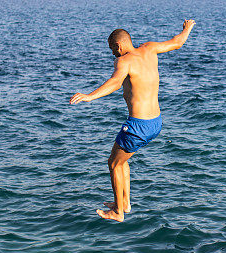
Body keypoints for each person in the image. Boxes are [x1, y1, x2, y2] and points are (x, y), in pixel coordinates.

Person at [69, 20, 196, 222]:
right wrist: (187, 28)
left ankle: (118, 212)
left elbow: (115, 82)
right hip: (155, 122)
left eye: (112, 49)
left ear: (119, 46)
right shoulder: (150, 49)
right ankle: (124, 202)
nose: (112, 54)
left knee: (113, 164)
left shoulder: (124, 61)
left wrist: (89, 96)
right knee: (122, 161)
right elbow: (177, 42)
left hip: (138, 125)